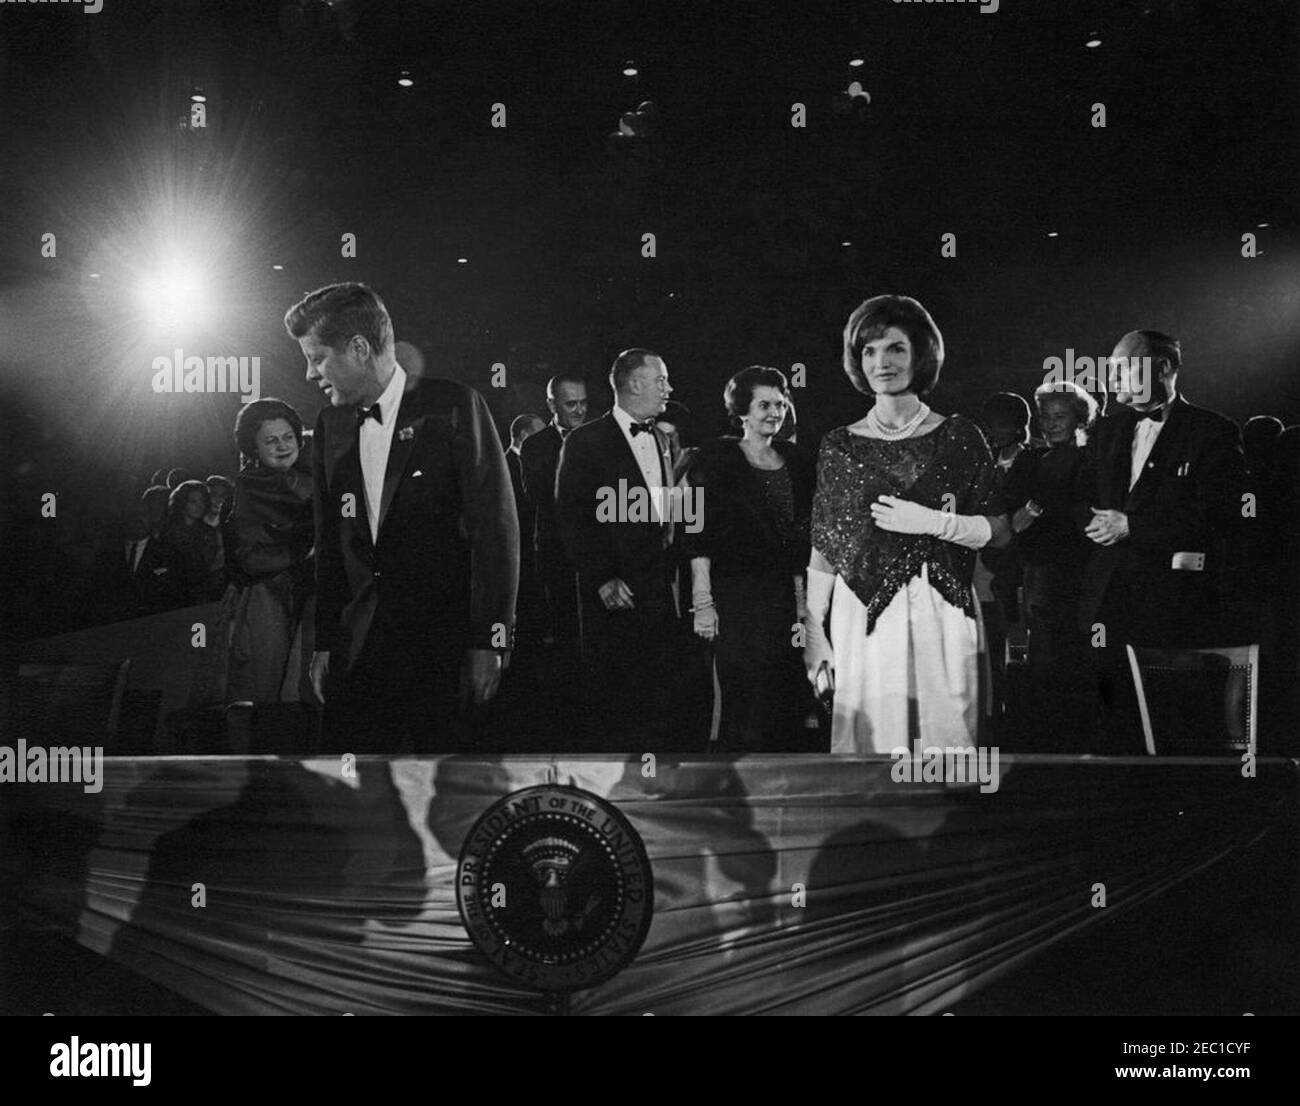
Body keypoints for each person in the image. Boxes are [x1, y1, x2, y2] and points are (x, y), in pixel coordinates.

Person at [286, 282, 519, 754]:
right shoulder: (329, 426)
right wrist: (325, 643)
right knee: (359, 801)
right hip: (358, 655)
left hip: (444, 650)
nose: (310, 374)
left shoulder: (454, 406)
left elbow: (495, 532)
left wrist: (490, 640)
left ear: (358, 348)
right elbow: (330, 543)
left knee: (448, 801)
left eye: (316, 357)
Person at [802, 295, 1012, 754]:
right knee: (871, 745)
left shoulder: (960, 435)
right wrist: (813, 631)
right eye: (869, 351)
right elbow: (825, 546)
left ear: (920, 354)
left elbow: (1000, 530)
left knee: (947, 744)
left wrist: (937, 522)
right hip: (862, 613)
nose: (882, 362)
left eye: (895, 348)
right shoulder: (839, 445)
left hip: (941, 604)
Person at [1076, 329, 1246, 750]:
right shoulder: (1108, 430)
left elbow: (1219, 514)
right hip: (1105, 596)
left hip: (1174, 602)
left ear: (1164, 367)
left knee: (1172, 715)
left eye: (1123, 367)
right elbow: (1084, 497)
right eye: (1110, 368)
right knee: (1107, 715)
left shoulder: (1213, 431)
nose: (1112, 377)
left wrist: (1134, 527)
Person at [555, 349, 685, 749]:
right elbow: (570, 517)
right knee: (613, 701)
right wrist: (601, 578)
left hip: (659, 592)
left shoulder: (664, 438)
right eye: (661, 380)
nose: (669, 388)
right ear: (634, 384)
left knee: (658, 698)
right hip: (613, 595)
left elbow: (668, 512)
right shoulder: (585, 440)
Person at [685, 366, 815, 751]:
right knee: (744, 702)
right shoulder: (716, 458)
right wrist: (703, 603)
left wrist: (804, 604)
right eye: (764, 405)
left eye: (780, 403)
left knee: (788, 697)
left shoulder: (796, 459)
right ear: (742, 411)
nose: (774, 412)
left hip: (787, 600)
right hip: (737, 599)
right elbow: (698, 537)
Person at [1001, 380, 1099, 749]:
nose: (1051, 424)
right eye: (1045, 416)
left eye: (1060, 416)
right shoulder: (1030, 459)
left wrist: (1035, 510)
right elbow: (1011, 516)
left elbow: (1085, 515)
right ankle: (1046, 744)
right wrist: (1029, 512)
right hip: (1041, 571)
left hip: (1085, 572)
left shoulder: (1095, 458)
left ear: (1080, 418)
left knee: (1082, 657)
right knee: (1043, 659)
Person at [220, 399, 316, 706]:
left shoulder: (317, 478)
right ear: (254, 448)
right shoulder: (246, 489)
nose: (282, 446)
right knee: (268, 694)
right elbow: (248, 557)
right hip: (268, 598)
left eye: (288, 437)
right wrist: (304, 550)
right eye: (270, 440)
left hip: (314, 598)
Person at [520, 373, 589, 646]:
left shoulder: (597, 437)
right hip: (557, 554)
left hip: (598, 556)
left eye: (584, 402)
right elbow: (539, 497)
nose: (580, 410)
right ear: (552, 406)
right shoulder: (535, 446)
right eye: (571, 404)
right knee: (567, 635)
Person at [160, 480, 224, 604]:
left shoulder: (208, 533)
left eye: (202, 501)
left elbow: (210, 568)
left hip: (202, 597)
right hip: (173, 599)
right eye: (193, 501)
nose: (199, 506)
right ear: (182, 503)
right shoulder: (169, 533)